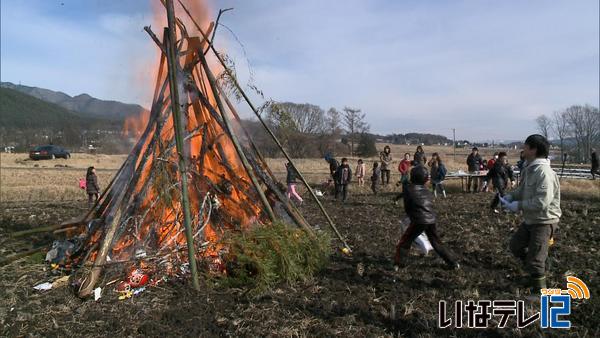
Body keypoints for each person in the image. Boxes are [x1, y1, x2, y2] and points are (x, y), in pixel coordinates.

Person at [503, 134, 561, 291]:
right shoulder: (530, 169)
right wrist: (511, 196)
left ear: (534, 150)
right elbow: (522, 190)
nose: (523, 149)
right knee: (515, 246)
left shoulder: (544, 173)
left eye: (526, 147)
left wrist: (519, 205)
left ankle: (538, 291)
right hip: (531, 220)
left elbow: (542, 201)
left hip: (544, 221)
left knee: (536, 259)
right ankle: (533, 270)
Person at [394, 165, 459, 270]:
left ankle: (398, 264)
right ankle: (453, 263)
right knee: (436, 242)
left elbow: (408, 208)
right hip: (431, 219)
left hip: (418, 220)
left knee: (405, 242)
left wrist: (412, 217)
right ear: (424, 179)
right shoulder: (427, 191)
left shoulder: (408, 189)